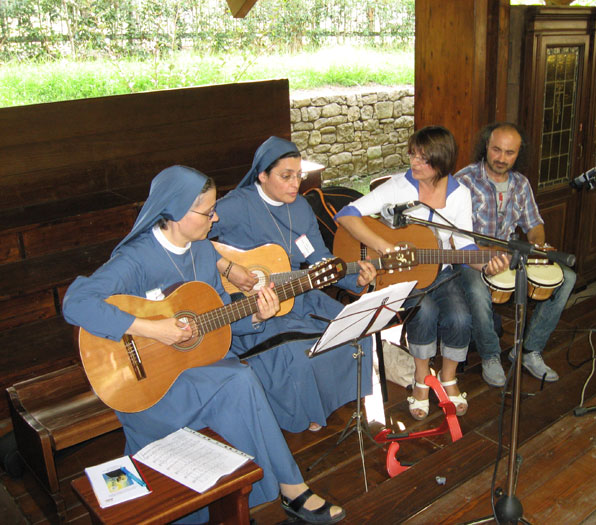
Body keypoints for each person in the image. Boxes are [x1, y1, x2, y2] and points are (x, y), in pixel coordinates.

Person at [63, 165, 345, 524]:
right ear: (176, 212)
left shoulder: (203, 252)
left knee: (238, 382)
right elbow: (76, 303)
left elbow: (221, 318)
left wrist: (258, 315)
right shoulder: (136, 258)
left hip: (195, 367)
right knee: (239, 382)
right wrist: (151, 329)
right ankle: (286, 491)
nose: (215, 218)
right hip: (148, 383)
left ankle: (236, 502)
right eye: (207, 211)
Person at [210, 137, 377, 434]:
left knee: (356, 327)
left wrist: (355, 277)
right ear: (262, 175)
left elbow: (319, 259)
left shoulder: (299, 208)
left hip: (299, 295)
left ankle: (333, 399)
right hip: (252, 309)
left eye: (298, 175)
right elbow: (189, 237)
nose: (294, 184)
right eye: (285, 176)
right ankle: (306, 409)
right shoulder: (236, 205)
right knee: (298, 355)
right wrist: (228, 267)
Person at [335, 125, 501, 421]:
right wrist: (385, 247)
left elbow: (464, 246)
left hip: (443, 270)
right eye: (413, 155)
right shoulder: (398, 187)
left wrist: (486, 262)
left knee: (460, 317)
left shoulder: (459, 194)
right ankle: (422, 379)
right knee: (423, 313)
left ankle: (448, 378)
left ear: (442, 160)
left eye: (423, 159)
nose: (414, 163)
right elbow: (346, 214)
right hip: (402, 277)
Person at [455, 122, 576, 387]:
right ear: (486, 145)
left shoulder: (521, 184)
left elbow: (534, 226)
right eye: (496, 149)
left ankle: (529, 351)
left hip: (512, 254)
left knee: (566, 277)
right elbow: (455, 236)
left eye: (509, 153)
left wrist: (538, 246)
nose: (501, 158)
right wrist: (483, 256)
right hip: (472, 257)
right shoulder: (464, 181)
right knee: (476, 289)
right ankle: (489, 355)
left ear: (518, 154)